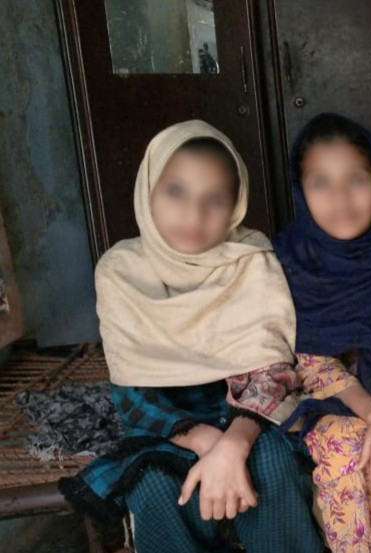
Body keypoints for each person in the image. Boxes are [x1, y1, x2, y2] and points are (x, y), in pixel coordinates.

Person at [59, 120, 323, 553]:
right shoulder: (120, 271)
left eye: (215, 199)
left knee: (274, 466)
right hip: (168, 431)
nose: (194, 214)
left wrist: (234, 443)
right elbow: (132, 392)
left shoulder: (251, 260)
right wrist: (207, 442)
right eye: (176, 192)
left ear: (236, 204)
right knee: (155, 487)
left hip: (251, 421)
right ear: (148, 191)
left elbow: (272, 370)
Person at [273, 113, 371, 553]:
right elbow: (302, 356)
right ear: (301, 191)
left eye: (356, 179)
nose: (340, 198)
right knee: (342, 446)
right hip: (331, 395)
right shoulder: (287, 260)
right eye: (321, 183)